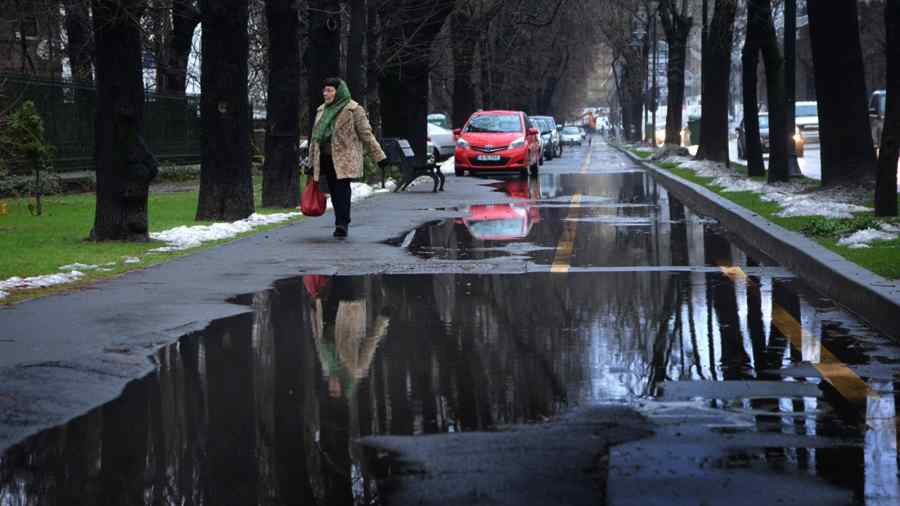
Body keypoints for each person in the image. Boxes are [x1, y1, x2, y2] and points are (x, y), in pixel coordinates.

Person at [309, 77, 389, 237]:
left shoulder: (354, 109)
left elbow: (366, 134)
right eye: (324, 90)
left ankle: (342, 223)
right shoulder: (321, 110)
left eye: (330, 90)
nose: (326, 94)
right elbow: (315, 137)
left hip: (345, 158)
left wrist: (380, 156)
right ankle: (340, 221)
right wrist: (311, 161)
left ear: (339, 92)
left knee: (342, 189)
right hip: (324, 158)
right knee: (333, 190)